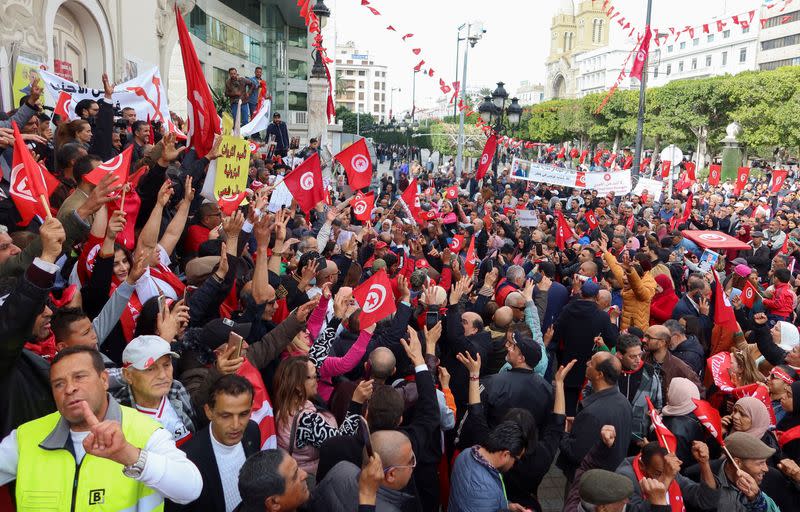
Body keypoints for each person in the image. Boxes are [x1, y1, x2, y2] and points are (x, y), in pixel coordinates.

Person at [0, 346, 202, 508]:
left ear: (104, 380)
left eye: (79, 377)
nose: (70, 388)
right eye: (59, 384)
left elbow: (190, 488)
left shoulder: (145, 430)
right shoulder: (26, 437)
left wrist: (130, 455)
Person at [167, 375, 261, 512]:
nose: (236, 425)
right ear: (209, 412)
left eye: (243, 414)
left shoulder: (252, 431)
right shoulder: (186, 458)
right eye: (226, 416)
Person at [557, 352, 633, 482]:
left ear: (599, 375)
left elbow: (575, 453)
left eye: (591, 363)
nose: (587, 364)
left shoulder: (592, 413)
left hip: (587, 483)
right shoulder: (624, 402)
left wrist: (564, 433)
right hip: (610, 477)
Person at [112, 334, 197, 446]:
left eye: (166, 365)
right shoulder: (117, 413)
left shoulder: (176, 388)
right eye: (150, 369)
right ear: (128, 375)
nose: (162, 375)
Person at [551, 280, 619, 415]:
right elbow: (612, 340)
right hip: (592, 368)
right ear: (597, 297)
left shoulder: (568, 310)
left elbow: (556, 333)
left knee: (567, 404)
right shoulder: (602, 316)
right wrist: (612, 322)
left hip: (569, 363)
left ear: (581, 293)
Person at [448, 421, 529, 512]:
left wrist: (507, 506)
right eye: (516, 460)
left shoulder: (465, 453)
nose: (514, 464)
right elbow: (484, 499)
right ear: (505, 455)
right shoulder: (487, 492)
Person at [643, 325, 703, 395]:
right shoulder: (642, 358)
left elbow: (699, 392)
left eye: (649, 338)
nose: (644, 340)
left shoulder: (680, 367)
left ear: (662, 342)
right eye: (645, 336)